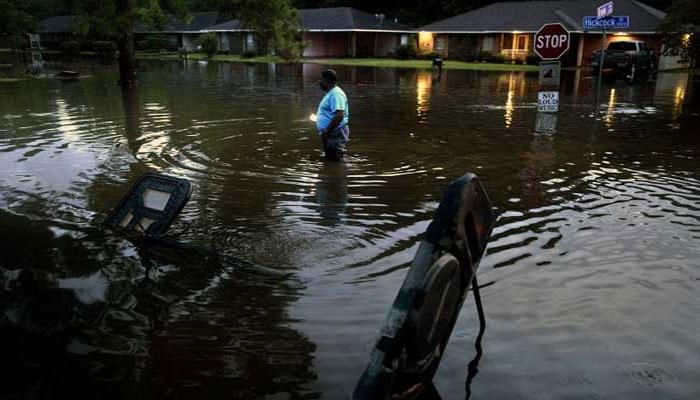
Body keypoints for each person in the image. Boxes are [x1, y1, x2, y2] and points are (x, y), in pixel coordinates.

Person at [316, 69, 349, 161]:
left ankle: (337, 174)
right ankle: (331, 173)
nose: (319, 82)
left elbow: (339, 115)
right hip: (330, 133)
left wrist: (327, 132)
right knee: (330, 158)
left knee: (335, 159)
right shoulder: (331, 93)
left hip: (335, 132)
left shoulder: (336, 94)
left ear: (326, 81)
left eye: (321, 80)